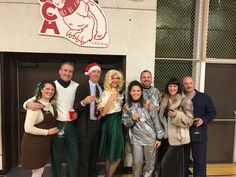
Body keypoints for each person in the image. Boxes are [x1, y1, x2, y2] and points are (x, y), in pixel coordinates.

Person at [23, 62, 79, 177]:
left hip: (72, 125)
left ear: (72, 73)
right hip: (56, 125)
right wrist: (27, 105)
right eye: (65, 70)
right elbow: (33, 99)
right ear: (60, 71)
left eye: (70, 71)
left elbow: (78, 104)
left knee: (74, 155)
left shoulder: (76, 86)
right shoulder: (51, 86)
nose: (67, 73)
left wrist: (76, 114)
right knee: (56, 156)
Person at [122, 80, 164, 177]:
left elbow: (156, 120)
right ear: (130, 92)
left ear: (141, 92)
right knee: (137, 163)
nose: (136, 93)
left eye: (138, 90)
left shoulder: (148, 104)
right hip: (135, 139)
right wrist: (131, 119)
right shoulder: (127, 106)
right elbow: (125, 123)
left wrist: (159, 137)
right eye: (133, 91)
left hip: (150, 138)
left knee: (150, 163)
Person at [21, 80, 59, 177]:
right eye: (47, 89)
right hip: (34, 143)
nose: (50, 91)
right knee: (37, 172)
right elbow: (28, 128)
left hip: (44, 143)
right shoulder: (34, 105)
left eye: (52, 89)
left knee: (39, 171)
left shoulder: (50, 104)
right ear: (41, 90)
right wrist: (48, 132)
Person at [158, 78, 193, 177]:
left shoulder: (185, 100)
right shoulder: (164, 99)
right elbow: (161, 117)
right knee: (165, 167)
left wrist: (177, 114)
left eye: (174, 86)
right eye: (170, 86)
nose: (172, 88)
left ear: (178, 87)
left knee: (170, 166)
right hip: (165, 137)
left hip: (177, 139)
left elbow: (190, 121)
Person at [182, 76, 216, 177]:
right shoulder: (180, 97)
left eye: (190, 83)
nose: (188, 85)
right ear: (183, 85)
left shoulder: (204, 97)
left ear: (194, 84)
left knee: (199, 161)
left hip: (199, 134)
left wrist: (203, 120)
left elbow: (212, 112)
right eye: (186, 83)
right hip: (183, 134)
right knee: (183, 161)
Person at [73, 62, 102, 177]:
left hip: (98, 124)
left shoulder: (102, 87)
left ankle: (93, 175)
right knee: (84, 157)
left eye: (98, 72)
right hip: (86, 126)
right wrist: (84, 102)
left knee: (94, 156)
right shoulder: (82, 87)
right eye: (94, 71)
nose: (96, 74)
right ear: (89, 74)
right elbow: (75, 107)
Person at [97, 69, 125, 177]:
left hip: (118, 122)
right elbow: (103, 113)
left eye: (117, 78)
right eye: (113, 78)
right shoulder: (106, 93)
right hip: (111, 123)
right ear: (109, 79)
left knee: (111, 154)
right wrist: (111, 99)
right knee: (116, 155)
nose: (115, 80)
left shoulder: (118, 92)